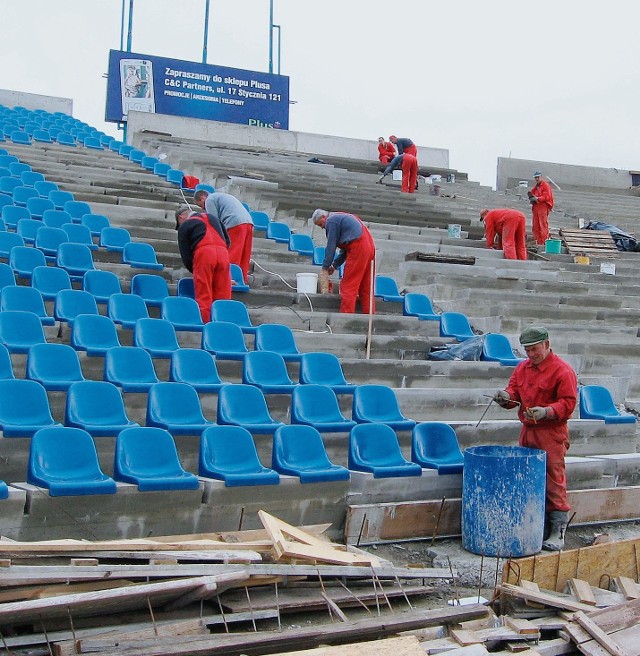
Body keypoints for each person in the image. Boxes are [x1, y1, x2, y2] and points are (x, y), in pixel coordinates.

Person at [492, 326, 577, 551]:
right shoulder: (522, 369)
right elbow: (514, 394)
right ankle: (535, 526)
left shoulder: (562, 371)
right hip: (528, 431)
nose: (531, 354)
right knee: (528, 478)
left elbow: (568, 404)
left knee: (553, 480)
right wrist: (505, 397)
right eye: (527, 350)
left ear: (547, 344)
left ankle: (558, 531)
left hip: (551, 434)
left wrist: (547, 411)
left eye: (535, 349)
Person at [311, 209, 376, 314]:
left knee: (348, 285)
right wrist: (335, 265)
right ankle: (370, 317)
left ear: (324, 217)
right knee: (366, 286)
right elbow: (346, 249)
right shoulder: (340, 218)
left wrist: (325, 267)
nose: (323, 227)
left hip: (359, 247)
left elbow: (331, 246)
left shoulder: (331, 221)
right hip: (369, 246)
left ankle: (346, 316)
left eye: (321, 225)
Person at [175, 203, 231, 322]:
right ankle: (223, 325)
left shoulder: (185, 226)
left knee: (204, 294)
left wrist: (194, 269)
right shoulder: (213, 217)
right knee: (223, 294)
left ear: (180, 217)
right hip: (223, 253)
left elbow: (185, 254)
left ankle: (205, 325)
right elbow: (227, 240)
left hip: (204, 253)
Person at [194, 190, 254, 284]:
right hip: (248, 223)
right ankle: (242, 279)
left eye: (200, 205)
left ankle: (228, 279)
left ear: (202, 198)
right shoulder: (221, 196)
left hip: (234, 223)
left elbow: (214, 221)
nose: (203, 208)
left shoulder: (209, 200)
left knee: (232, 252)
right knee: (244, 255)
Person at [528, 171, 554, 246]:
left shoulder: (545, 186)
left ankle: (543, 242)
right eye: (535, 178)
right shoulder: (535, 188)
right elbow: (532, 195)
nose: (536, 179)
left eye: (538, 177)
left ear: (541, 177)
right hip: (536, 207)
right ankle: (537, 241)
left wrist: (538, 198)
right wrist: (532, 199)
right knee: (535, 225)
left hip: (543, 206)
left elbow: (547, 196)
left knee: (542, 224)